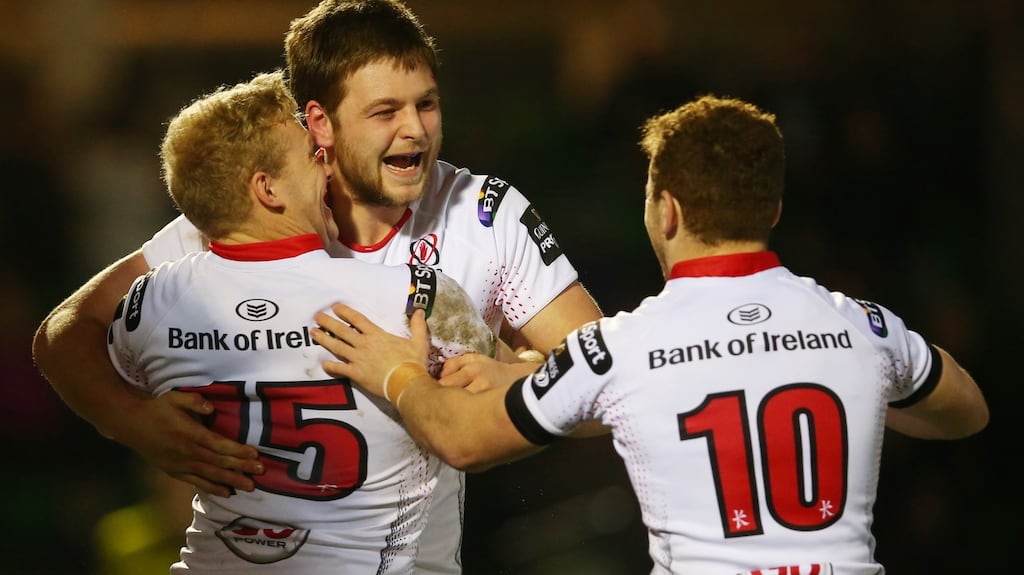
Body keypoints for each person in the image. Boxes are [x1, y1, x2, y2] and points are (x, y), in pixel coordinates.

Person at [32, 0, 603, 572]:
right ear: (320, 124)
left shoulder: (484, 215)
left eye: (426, 103)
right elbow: (66, 330)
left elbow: (611, 386)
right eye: (385, 111)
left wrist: (519, 376)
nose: (416, 129)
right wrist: (129, 422)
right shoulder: (246, 217)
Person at [310, 94, 990, 575]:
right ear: (773, 209)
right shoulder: (861, 326)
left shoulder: (622, 349)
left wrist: (395, 369)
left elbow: (462, 439)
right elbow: (967, 410)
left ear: (665, 210)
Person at [106, 69, 501, 573]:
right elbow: (503, 412)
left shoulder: (150, 302)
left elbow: (76, 346)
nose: (329, 168)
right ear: (268, 190)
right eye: (313, 157)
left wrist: (134, 422)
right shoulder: (412, 295)